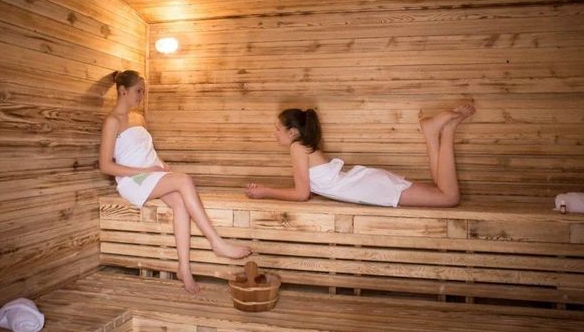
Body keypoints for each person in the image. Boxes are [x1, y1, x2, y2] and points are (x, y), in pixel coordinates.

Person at [99, 70, 250, 294]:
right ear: (123, 91)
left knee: (180, 202)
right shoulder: (112, 122)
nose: (142, 95)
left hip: (151, 174)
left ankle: (184, 270)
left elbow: (145, 150)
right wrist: (145, 170)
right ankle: (216, 243)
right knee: (184, 179)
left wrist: (161, 164)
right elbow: (105, 166)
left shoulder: (139, 118)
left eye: (143, 91)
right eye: (138, 91)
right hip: (134, 180)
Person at [245, 104, 475, 207]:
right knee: (441, 191)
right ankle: (433, 132)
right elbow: (308, 190)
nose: (274, 133)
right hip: (367, 184)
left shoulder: (297, 148)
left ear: (292, 132)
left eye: (277, 129)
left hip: (369, 187)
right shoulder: (303, 147)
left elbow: (302, 194)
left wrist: (265, 192)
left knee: (448, 198)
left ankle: (446, 130)